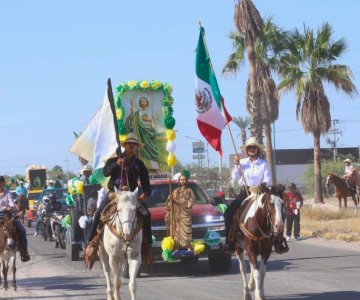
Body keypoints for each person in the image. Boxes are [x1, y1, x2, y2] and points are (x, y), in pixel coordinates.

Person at [84, 133, 152, 269]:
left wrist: (146, 193)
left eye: (134, 144)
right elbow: (105, 173)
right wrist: (116, 164)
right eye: (129, 143)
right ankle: (92, 242)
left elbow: (146, 182)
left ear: (136, 147)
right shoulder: (114, 160)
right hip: (114, 195)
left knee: (147, 214)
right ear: (125, 146)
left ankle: (146, 245)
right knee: (98, 214)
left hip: (131, 196)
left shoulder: (139, 164)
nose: (131, 146)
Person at [224, 137, 286, 253]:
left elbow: (267, 178)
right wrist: (236, 165)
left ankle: (279, 242)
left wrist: (262, 185)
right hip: (245, 191)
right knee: (228, 213)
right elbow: (234, 178)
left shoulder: (263, 164)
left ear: (257, 149)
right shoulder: (241, 163)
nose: (252, 149)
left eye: (254, 147)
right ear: (247, 150)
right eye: (249, 147)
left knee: (278, 210)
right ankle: (230, 241)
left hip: (260, 192)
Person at [0, 175, 30, 262]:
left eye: (1, 183)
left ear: (4, 184)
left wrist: (10, 207)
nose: (0, 185)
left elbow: (12, 203)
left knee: (21, 230)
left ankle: (24, 252)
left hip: (7, 216)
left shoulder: (7, 193)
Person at [125, 96, 159, 170]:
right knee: (142, 148)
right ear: (139, 103)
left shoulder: (151, 111)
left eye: (144, 101)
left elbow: (155, 122)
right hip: (140, 134)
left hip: (150, 133)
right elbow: (132, 122)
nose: (143, 103)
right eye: (141, 101)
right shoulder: (137, 113)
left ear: (147, 102)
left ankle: (153, 166)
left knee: (151, 149)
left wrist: (151, 121)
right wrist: (131, 117)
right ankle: (144, 166)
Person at [165, 174, 195, 249]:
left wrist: (185, 204)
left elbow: (192, 200)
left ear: (186, 181)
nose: (183, 181)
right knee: (176, 230)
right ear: (179, 181)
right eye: (181, 180)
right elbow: (169, 203)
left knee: (187, 231)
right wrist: (170, 200)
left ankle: (188, 246)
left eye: (184, 179)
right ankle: (177, 246)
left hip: (185, 215)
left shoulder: (189, 191)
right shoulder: (175, 191)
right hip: (177, 216)